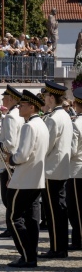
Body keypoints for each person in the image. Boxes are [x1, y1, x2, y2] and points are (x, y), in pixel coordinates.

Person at [4, 90, 48, 268]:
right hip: (34, 179)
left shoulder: (29, 126)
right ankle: (31, 254)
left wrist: (11, 158)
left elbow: (23, 156)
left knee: (14, 218)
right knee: (30, 220)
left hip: (23, 180)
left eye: (22, 105)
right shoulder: (41, 124)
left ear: (32, 107)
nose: (19, 107)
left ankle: (27, 255)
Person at [40, 81, 72, 258]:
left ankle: (57, 248)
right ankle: (60, 247)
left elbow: (46, 145)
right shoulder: (64, 115)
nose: (45, 99)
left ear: (52, 97)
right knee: (59, 209)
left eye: (46, 96)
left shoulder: (53, 119)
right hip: (60, 169)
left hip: (51, 170)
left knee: (54, 212)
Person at [0, 85, 24, 239]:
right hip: (13, 160)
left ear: (12, 99)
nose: (3, 100)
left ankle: (11, 227)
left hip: (9, 161)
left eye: (5, 98)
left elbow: (10, 142)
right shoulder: (17, 114)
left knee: (8, 198)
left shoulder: (11, 117)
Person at [69, 87, 82, 251]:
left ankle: (78, 240)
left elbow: (71, 151)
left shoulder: (77, 124)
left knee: (76, 208)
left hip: (76, 169)